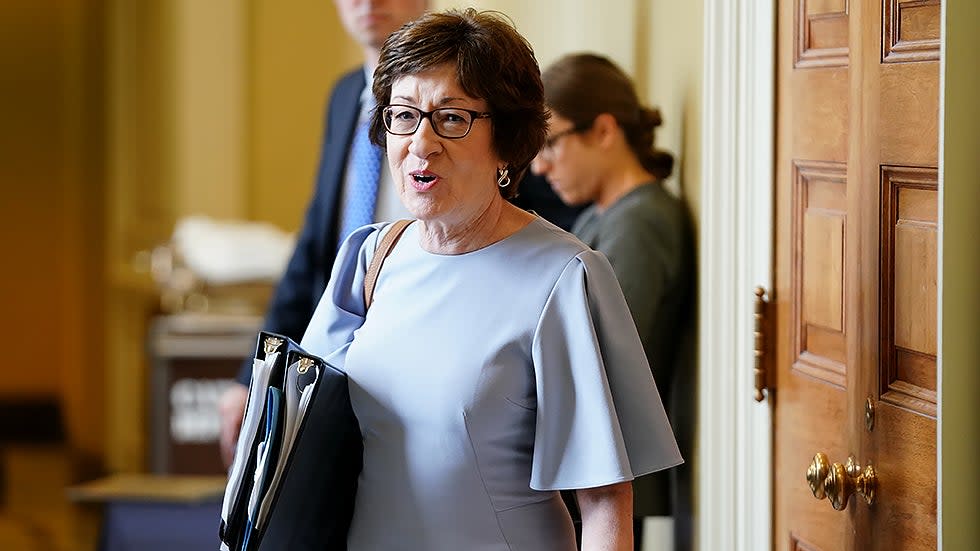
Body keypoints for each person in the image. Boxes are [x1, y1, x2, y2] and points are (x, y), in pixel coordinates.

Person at [298, 9, 682, 549]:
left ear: (506, 139)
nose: (421, 142)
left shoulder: (565, 277)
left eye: (452, 118)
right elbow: (301, 437)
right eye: (403, 115)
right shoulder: (367, 258)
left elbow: (604, 503)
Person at [217, 0, 579, 467]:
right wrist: (255, 377)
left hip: (459, 364)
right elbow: (312, 252)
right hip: (349, 370)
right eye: (403, 116)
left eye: (448, 118)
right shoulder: (346, 96)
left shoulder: (486, 90)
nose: (368, 3)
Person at [530, 53, 696, 550]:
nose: (540, 165)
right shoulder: (606, 215)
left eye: (552, 144)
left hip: (602, 479)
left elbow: (604, 356)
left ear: (604, 131)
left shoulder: (641, 221)